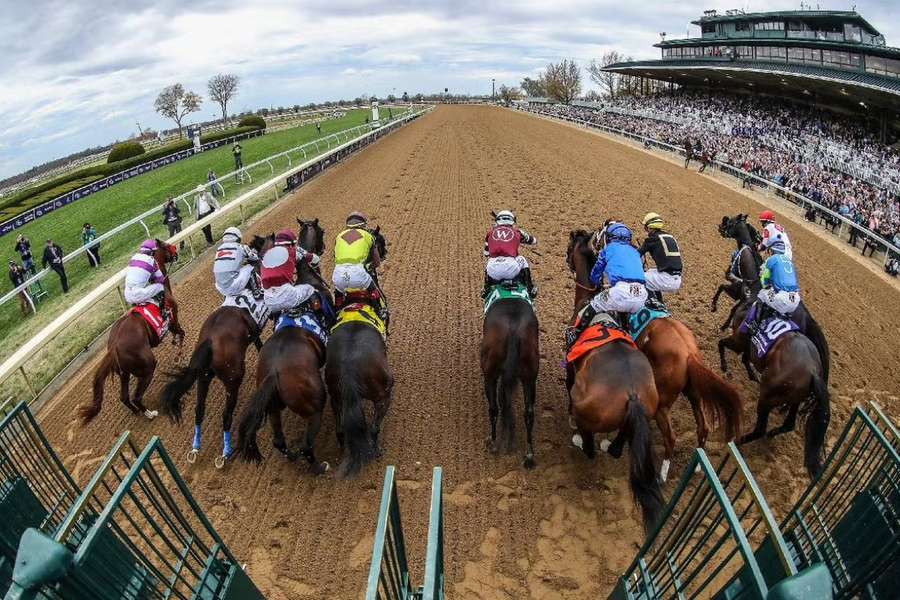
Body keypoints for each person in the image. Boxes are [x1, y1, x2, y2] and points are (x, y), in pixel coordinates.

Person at [566, 222, 647, 346]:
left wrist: (595, 283)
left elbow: (596, 272)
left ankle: (574, 334)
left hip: (620, 292)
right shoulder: (635, 251)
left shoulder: (607, 249)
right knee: (626, 319)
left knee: (590, 306)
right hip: (641, 296)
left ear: (608, 237)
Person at [332, 212, 388, 321]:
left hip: (338, 274)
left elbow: (336, 257)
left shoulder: (338, 237)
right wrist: (367, 266)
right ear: (363, 224)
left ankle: (338, 311)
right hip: (358, 274)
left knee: (338, 291)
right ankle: (380, 310)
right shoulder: (368, 235)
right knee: (371, 286)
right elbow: (376, 263)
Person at [481, 209, 538, 299]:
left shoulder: (490, 233)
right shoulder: (517, 232)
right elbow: (533, 241)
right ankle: (530, 289)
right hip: (511, 269)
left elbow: (486, 253)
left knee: (489, 261)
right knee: (522, 259)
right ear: (512, 220)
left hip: (492, 271)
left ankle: (486, 289)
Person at [261, 228, 319, 314]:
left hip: (269, 302)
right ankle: (323, 319)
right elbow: (315, 260)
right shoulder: (293, 251)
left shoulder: (266, 254)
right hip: (287, 296)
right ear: (291, 243)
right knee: (311, 289)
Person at [747, 240, 800, 333]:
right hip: (795, 300)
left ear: (771, 251)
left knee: (762, 294)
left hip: (782, 299)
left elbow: (764, 281)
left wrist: (766, 284)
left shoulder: (772, 259)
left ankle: (755, 324)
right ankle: (783, 315)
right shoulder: (790, 262)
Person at [638, 212, 682, 304]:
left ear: (649, 227)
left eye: (645, 227)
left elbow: (636, 255)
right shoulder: (670, 236)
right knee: (650, 272)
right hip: (677, 278)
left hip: (666, 279)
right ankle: (660, 302)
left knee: (640, 278)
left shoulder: (652, 239)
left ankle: (652, 304)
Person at [213, 227, 261, 299]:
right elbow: (255, 258)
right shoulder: (241, 247)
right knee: (250, 268)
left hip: (220, 288)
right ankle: (256, 292)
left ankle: (226, 298)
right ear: (237, 238)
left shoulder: (219, 249)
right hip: (233, 285)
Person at [123, 240, 166, 308]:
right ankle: (162, 311)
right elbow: (160, 279)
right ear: (152, 253)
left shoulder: (134, 257)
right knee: (160, 287)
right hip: (138, 295)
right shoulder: (152, 261)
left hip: (127, 294)